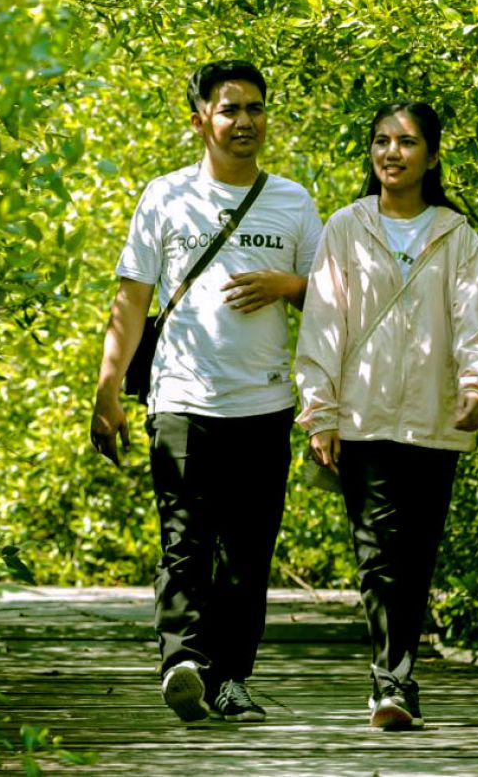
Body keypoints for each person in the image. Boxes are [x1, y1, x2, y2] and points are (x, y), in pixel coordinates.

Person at [89, 60, 323, 723]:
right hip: (182, 400)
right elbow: (132, 300)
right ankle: (183, 661)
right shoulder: (164, 197)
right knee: (186, 540)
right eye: (229, 109)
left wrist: (288, 286)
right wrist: (108, 387)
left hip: (265, 402)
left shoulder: (293, 202)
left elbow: (334, 301)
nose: (244, 120)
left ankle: (232, 679)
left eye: (254, 108)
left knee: (248, 553)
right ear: (200, 120)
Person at [293, 101, 478, 731]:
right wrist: (321, 412)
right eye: (382, 142)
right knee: (377, 550)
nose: (392, 153)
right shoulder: (345, 227)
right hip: (362, 417)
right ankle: (392, 681)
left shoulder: (455, 235)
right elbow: (322, 324)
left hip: (433, 415)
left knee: (415, 551)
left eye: (407, 142)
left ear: (432, 156)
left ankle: (397, 674)